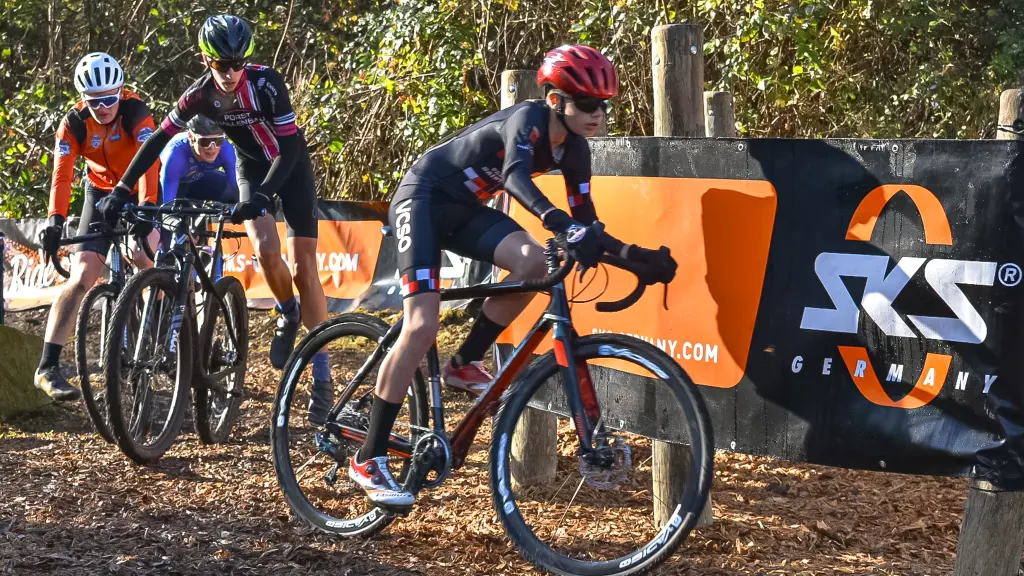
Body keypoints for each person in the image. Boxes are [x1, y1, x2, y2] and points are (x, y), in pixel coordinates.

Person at [347, 45, 677, 508]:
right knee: (422, 326)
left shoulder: (576, 150)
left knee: (534, 264)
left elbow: (588, 222)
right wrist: (561, 224)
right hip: (421, 199)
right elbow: (517, 178)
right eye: (587, 104)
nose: (598, 115)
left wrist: (633, 256)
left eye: (604, 105)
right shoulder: (528, 120)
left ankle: (464, 364)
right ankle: (369, 456)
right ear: (555, 99)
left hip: (464, 209)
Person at [99, 15, 333, 424]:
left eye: (238, 63)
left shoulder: (267, 83)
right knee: (264, 249)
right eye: (222, 65)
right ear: (207, 61)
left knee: (304, 267)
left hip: (290, 168)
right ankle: (287, 311)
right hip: (250, 167)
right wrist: (122, 188)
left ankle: (322, 375)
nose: (231, 73)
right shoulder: (198, 97)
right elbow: (157, 141)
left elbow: (289, 148)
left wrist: (265, 195)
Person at [33, 52, 160, 401]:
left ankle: (159, 332)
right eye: (94, 101)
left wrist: (148, 208)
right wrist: (55, 221)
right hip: (100, 192)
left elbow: (150, 162)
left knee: (143, 258)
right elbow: (61, 174)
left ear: (121, 90)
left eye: (109, 98)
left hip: (137, 191)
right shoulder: (74, 122)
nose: (103, 107)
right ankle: (47, 367)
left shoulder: (136, 112)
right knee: (81, 277)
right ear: (82, 98)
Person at [159, 115, 239, 204]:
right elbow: (166, 210)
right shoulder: (175, 154)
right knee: (161, 212)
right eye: (205, 141)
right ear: (191, 137)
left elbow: (237, 188)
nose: (212, 148)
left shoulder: (226, 149)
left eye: (218, 140)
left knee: (241, 194)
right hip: (166, 183)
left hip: (197, 178)